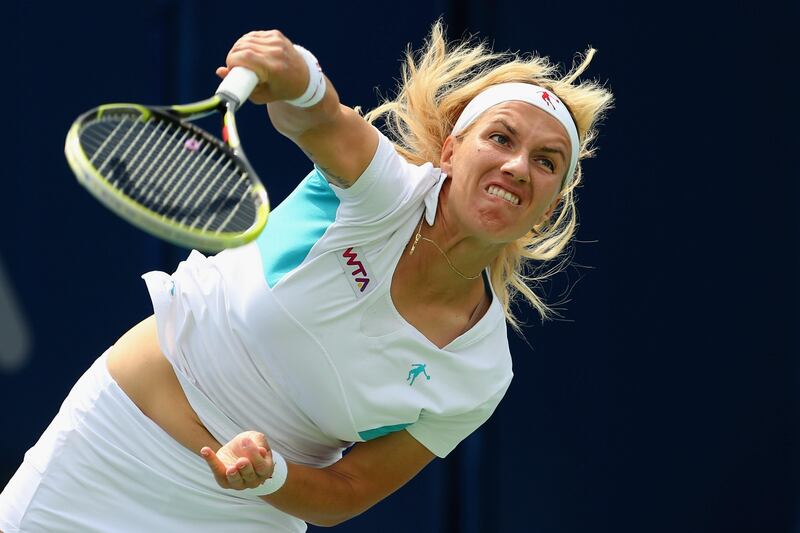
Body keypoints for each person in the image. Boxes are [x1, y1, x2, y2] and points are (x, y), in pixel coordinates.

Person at [0, 21, 612, 532]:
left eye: (545, 161)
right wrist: (297, 73)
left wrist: (271, 476)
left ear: (553, 200)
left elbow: (348, 489)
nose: (516, 166)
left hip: (249, 514)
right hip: (109, 449)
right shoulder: (380, 190)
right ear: (451, 151)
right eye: (500, 138)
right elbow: (317, 118)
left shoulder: (479, 372)